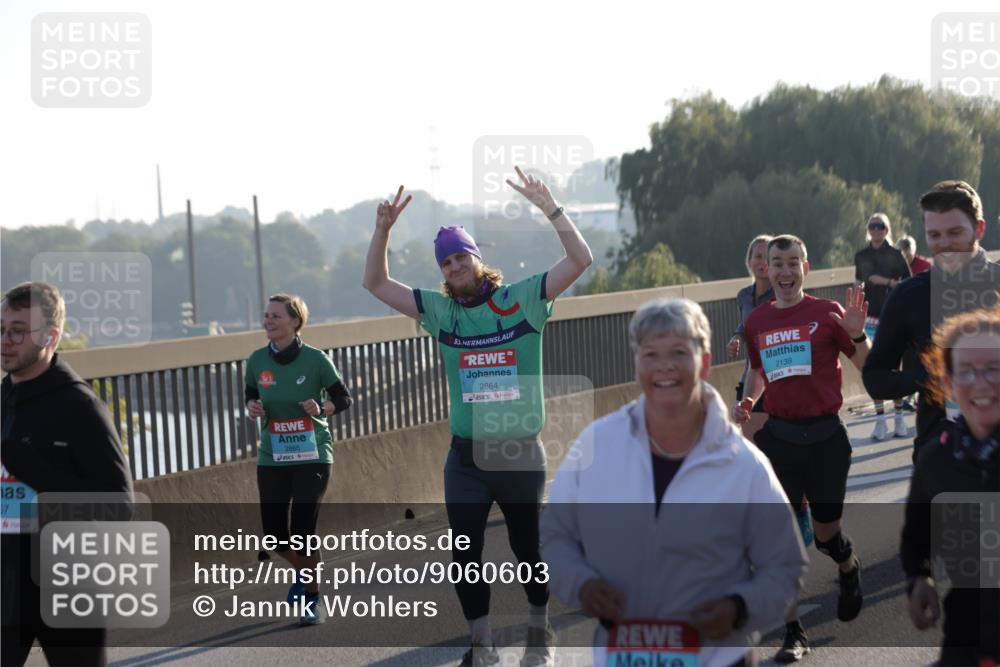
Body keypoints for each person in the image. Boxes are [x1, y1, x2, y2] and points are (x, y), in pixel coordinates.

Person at [363, 167, 593, 667]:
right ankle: (482, 645)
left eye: (460, 257)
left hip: (518, 453)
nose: (454, 267)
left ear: (476, 258)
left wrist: (550, 208)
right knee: (464, 555)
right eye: (445, 262)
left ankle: (540, 631)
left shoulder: (521, 300)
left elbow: (581, 260)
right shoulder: (440, 313)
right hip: (465, 458)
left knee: (527, 551)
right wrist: (382, 231)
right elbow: (375, 282)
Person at [542, 297, 807, 667]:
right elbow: (555, 536)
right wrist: (581, 585)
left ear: (705, 362)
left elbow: (785, 566)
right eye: (650, 354)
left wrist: (739, 609)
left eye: (679, 352)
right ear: (637, 364)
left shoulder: (744, 464)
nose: (664, 366)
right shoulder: (596, 445)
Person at [732, 235, 869, 663]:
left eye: (793, 263)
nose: (785, 271)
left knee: (827, 537)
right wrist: (749, 399)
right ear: (767, 270)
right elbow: (758, 371)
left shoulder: (828, 313)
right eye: (778, 263)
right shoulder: (757, 321)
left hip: (826, 439)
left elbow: (868, 368)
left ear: (805, 269)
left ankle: (848, 565)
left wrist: (858, 334)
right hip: (780, 440)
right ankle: (793, 632)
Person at [1, 282, 133, 667]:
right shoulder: (2, 400)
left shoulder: (79, 406)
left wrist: (32, 468)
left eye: (18, 331)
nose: (5, 340)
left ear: (51, 336)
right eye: (1, 329)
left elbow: (119, 507)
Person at [863, 180, 1000, 459]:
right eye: (934, 235)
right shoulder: (908, 294)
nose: (944, 244)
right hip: (939, 455)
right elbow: (875, 377)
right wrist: (926, 376)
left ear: (979, 229)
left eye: (954, 233)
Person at [244, 293, 353, 626]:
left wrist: (321, 407)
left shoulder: (316, 360)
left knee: (303, 529)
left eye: (276, 316)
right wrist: (252, 407)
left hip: (312, 454)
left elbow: (343, 398)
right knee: (274, 536)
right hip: (273, 455)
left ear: (294, 321)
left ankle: (313, 598)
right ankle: (306, 570)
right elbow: (251, 394)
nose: (268, 321)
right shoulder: (256, 360)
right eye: (266, 316)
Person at [900, 305, 999, 665]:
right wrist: (918, 578)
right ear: (948, 384)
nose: (981, 382)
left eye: (994, 368)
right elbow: (916, 534)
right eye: (966, 371)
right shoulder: (937, 459)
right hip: (967, 636)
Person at [727, 235, 813, 546]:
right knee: (754, 457)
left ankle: (800, 510)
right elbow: (746, 325)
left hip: (779, 379)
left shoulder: (781, 293)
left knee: (787, 458)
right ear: (750, 262)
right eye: (758, 256)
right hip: (751, 376)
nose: (762, 263)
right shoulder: (743, 296)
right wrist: (737, 337)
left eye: (768, 257)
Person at [853, 213, 911, 441]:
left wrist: (886, 282)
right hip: (869, 318)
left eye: (881, 226)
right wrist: (855, 294)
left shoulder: (895, 255)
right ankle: (880, 420)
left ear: (887, 230)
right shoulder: (861, 256)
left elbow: (908, 283)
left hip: (892, 316)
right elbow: (858, 281)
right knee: (872, 368)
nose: (876, 230)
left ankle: (899, 417)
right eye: (872, 226)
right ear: (868, 229)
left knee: (894, 367)